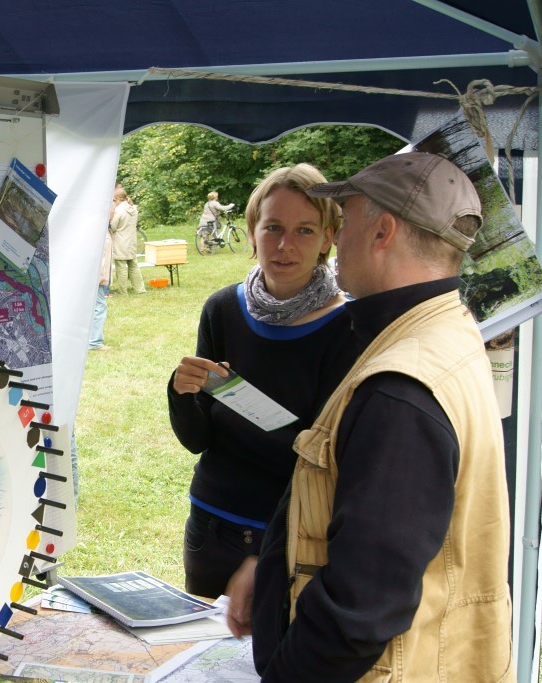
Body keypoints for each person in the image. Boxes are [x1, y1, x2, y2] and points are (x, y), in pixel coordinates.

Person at [227, 152, 513, 682]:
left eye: (347, 215)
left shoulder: (401, 388)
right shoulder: (445, 330)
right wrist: (270, 570)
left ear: (382, 230)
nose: (337, 236)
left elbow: (358, 611)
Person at [168, 164, 356, 598]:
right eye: (273, 227)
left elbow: (326, 459)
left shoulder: (347, 328)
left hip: (293, 536)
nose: (285, 245)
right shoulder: (222, 310)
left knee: (275, 664)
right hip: (211, 528)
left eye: (305, 230)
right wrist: (180, 393)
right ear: (252, 232)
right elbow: (198, 440)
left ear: (329, 237)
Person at [109, 186, 144, 295]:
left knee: (121, 267)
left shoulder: (118, 210)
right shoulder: (134, 209)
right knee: (134, 265)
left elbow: (113, 227)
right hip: (132, 241)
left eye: (114, 200)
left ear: (118, 198)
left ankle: (123, 291)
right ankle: (140, 289)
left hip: (120, 242)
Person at [88, 226, 113, 350]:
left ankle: (90, 339)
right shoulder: (99, 229)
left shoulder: (105, 227)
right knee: (99, 306)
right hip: (97, 277)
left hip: (99, 276)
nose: (114, 211)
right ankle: (94, 342)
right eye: (113, 208)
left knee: (94, 306)